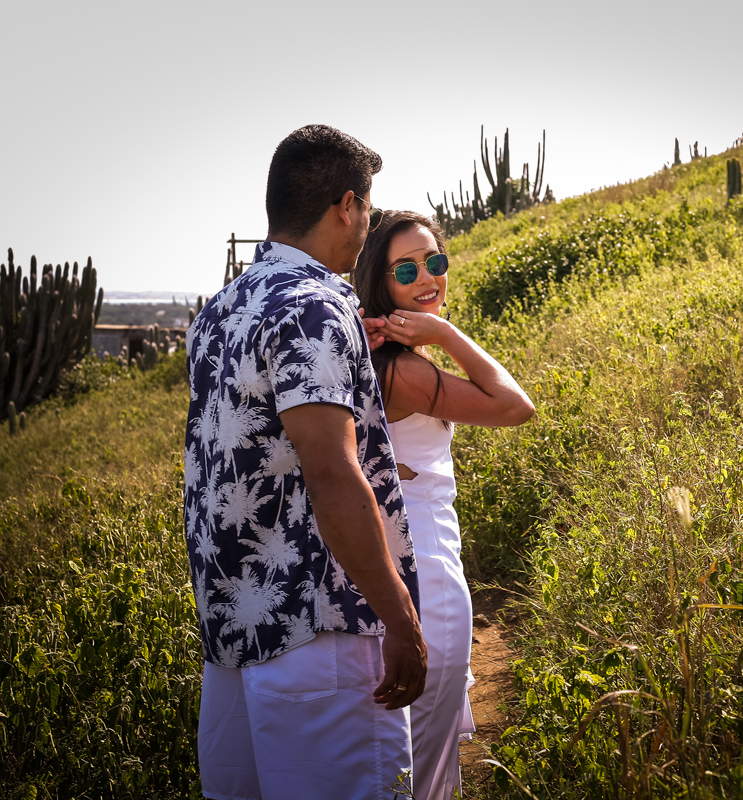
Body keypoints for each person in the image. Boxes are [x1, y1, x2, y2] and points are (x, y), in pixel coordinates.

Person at [183, 126, 427, 800]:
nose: (367, 225)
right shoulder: (315, 307)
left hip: (232, 637)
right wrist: (400, 617)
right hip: (320, 632)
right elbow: (329, 471)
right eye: (368, 209)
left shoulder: (220, 313)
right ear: (346, 205)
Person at [353, 210, 535, 799]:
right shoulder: (402, 368)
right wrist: (446, 335)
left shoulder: (367, 357)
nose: (428, 276)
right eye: (407, 268)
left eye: (436, 261)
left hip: (395, 566)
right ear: (380, 281)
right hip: (426, 567)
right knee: (424, 770)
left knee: (404, 760)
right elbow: (515, 406)